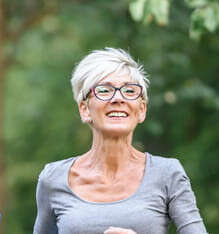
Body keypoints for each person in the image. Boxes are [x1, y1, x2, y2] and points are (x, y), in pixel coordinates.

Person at [33, 48, 208, 234]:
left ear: (141, 110)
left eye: (129, 91)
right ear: (84, 109)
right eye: (104, 90)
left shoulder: (168, 173)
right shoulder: (53, 178)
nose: (118, 98)